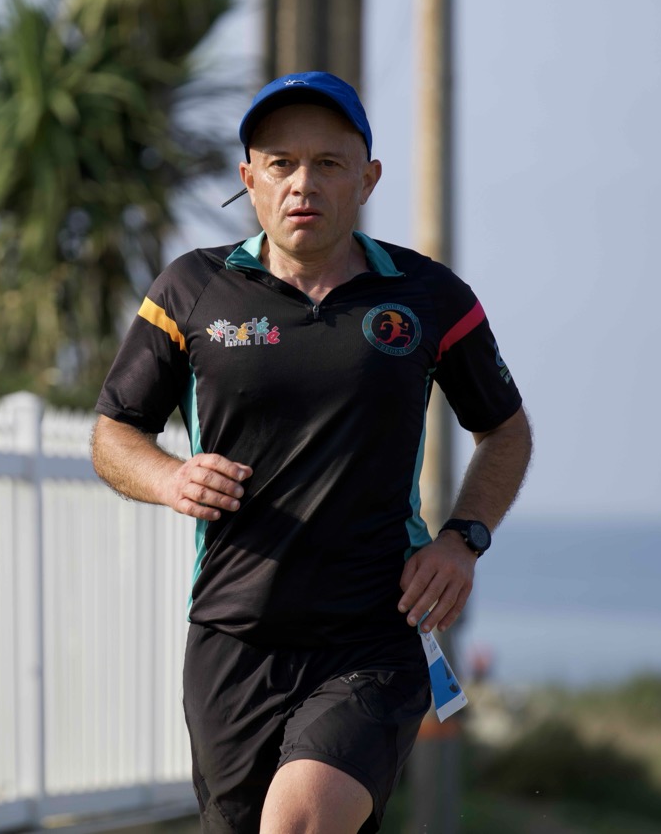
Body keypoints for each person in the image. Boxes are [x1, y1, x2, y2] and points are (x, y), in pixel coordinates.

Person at [90, 71, 532, 833]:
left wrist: (463, 539)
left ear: (368, 178)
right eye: (282, 163)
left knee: (297, 821)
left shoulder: (427, 296)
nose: (304, 183)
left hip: (374, 633)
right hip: (233, 637)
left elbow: (506, 431)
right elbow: (113, 432)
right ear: (249, 179)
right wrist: (169, 477)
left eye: (329, 163)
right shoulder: (193, 289)